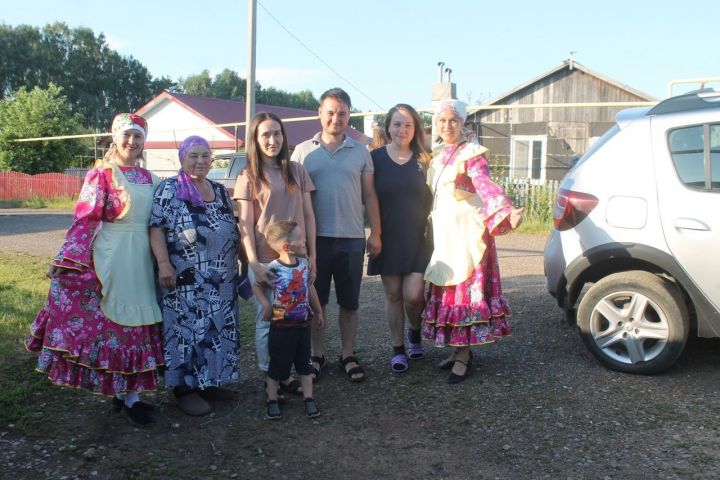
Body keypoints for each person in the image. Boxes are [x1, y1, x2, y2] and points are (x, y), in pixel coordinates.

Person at [26, 113, 164, 427]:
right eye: (126, 135)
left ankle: (129, 395)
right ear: (115, 138)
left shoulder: (150, 178)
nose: (132, 142)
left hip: (142, 257)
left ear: (144, 142)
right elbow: (85, 218)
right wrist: (69, 259)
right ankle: (128, 398)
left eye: (138, 136)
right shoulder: (102, 174)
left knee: (137, 323)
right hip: (113, 255)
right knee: (117, 323)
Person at [423, 99, 524, 384]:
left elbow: (485, 185)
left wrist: (504, 210)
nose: (447, 126)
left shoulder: (472, 154)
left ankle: (464, 355)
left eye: (453, 120)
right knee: (450, 290)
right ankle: (458, 350)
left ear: (463, 122)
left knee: (464, 293)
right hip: (446, 234)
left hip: (468, 233)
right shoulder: (438, 154)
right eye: (442, 121)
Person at [291, 87, 382, 383]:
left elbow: (369, 195)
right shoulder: (303, 152)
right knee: (317, 301)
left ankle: (348, 354)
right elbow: (292, 197)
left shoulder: (360, 152)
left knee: (350, 302)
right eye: (330, 112)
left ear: (348, 116)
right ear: (320, 113)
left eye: (342, 113)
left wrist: (375, 233)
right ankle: (316, 355)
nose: (336, 118)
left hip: (352, 237)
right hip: (314, 242)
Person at [149, 135, 241, 416]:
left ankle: (210, 382)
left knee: (217, 329)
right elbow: (156, 228)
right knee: (186, 331)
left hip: (221, 277)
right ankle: (185, 389)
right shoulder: (169, 189)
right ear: (182, 157)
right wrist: (163, 263)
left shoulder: (220, 190)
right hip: (185, 279)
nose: (200, 161)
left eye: (205, 156)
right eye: (194, 156)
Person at [234, 112, 317, 398]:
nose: (272, 140)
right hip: (267, 262)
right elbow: (244, 223)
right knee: (269, 321)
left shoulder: (297, 171)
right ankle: (272, 376)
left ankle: (285, 374)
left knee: (294, 319)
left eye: (277, 133)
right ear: (255, 141)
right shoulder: (248, 176)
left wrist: (312, 257)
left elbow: (308, 214)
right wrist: (253, 264)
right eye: (265, 135)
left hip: (297, 259)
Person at [367, 104, 432, 374]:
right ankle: (398, 349)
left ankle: (415, 332)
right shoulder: (375, 159)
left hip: (420, 237)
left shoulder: (426, 159)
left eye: (408, 125)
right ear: (388, 127)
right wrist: (375, 234)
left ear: (415, 128)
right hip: (388, 236)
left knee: (414, 295)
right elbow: (369, 199)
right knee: (393, 294)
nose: (402, 130)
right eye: (397, 124)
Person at [253, 220, 325, 419]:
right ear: (286, 246)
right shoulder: (273, 268)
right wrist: (266, 306)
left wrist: (318, 311)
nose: (304, 242)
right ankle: (272, 399)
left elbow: (310, 288)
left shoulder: (303, 265)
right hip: (281, 327)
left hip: (302, 325)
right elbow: (257, 287)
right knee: (277, 365)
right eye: (300, 239)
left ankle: (309, 398)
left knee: (305, 364)